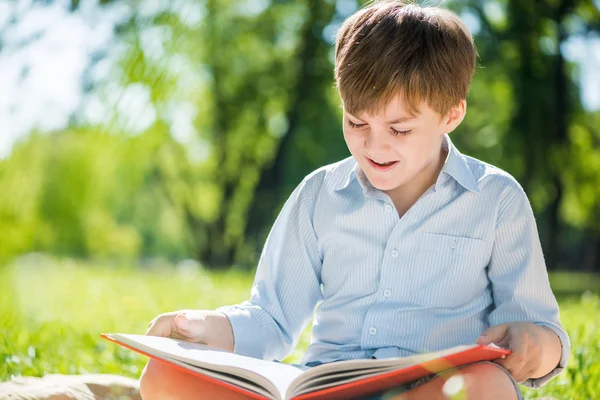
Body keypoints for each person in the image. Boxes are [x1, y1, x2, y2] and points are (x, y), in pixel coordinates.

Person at [139, 1, 570, 399]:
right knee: (163, 377)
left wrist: (535, 344)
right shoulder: (319, 194)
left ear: (450, 115)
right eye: (355, 121)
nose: (373, 145)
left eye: (399, 129)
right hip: (325, 387)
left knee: (486, 387)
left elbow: (542, 331)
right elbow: (271, 318)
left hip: (428, 390)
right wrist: (205, 327)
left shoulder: (496, 199)